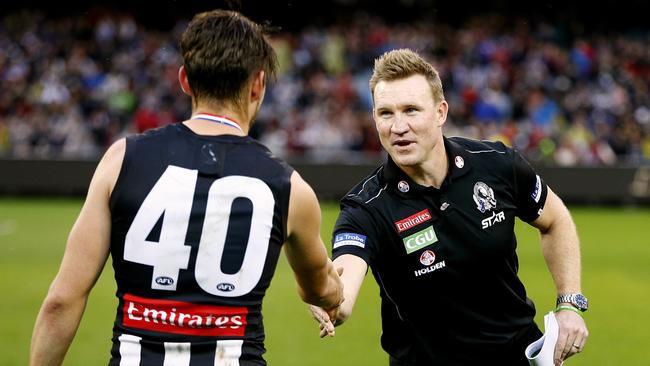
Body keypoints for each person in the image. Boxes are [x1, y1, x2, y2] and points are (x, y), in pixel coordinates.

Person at [30, 9, 343, 366]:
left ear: (184, 80)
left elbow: (61, 302)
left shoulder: (121, 158)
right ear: (258, 84)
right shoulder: (290, 188)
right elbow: (320, 287)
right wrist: (334, 293)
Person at [310, 49, 588, 366]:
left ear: (440, 112)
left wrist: (569, 303)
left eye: (411, 110)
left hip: (518, 355)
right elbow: (343, 287)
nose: (398, 126)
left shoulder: (496, 164)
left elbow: (556, 220)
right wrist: (328, 297)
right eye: (386, 113)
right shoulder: (365, 208)